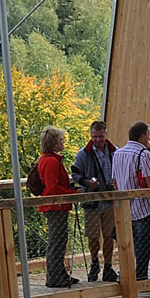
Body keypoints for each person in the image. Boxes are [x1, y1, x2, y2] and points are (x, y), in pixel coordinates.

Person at [113, 122, 150, 280]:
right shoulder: (143, 154)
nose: (149, 137)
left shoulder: (117, 154)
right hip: (143, 207)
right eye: (148, 134)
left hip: (125, 209)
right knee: (144, 247)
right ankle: (140, 278)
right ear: (143, 135)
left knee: (128, 244)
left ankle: (126, 274)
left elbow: (115, 182)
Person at [72, 121, 119, 282]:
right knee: (92, 236)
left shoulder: (114, 152)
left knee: (109, 236)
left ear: (106, 134)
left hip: (109, 200)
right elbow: (75, 174)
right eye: (94, 137)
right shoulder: (83, 154)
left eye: (100, 137)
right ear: (90, 135)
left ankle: (108, 266)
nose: (97, 140)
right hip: (91, 201)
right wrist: (86, 182)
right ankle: (94, 263)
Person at [35, 127, 81, 288]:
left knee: (60, 240)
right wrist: (71, 192)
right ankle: (54, 276)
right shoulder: (50, 161)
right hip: (55, 206)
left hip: (57, 206)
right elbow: (52, 187)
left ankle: (60, 273)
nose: (63, 142)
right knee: (57, 242)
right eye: (61, 140)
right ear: (54, 144)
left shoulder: (50, 159)